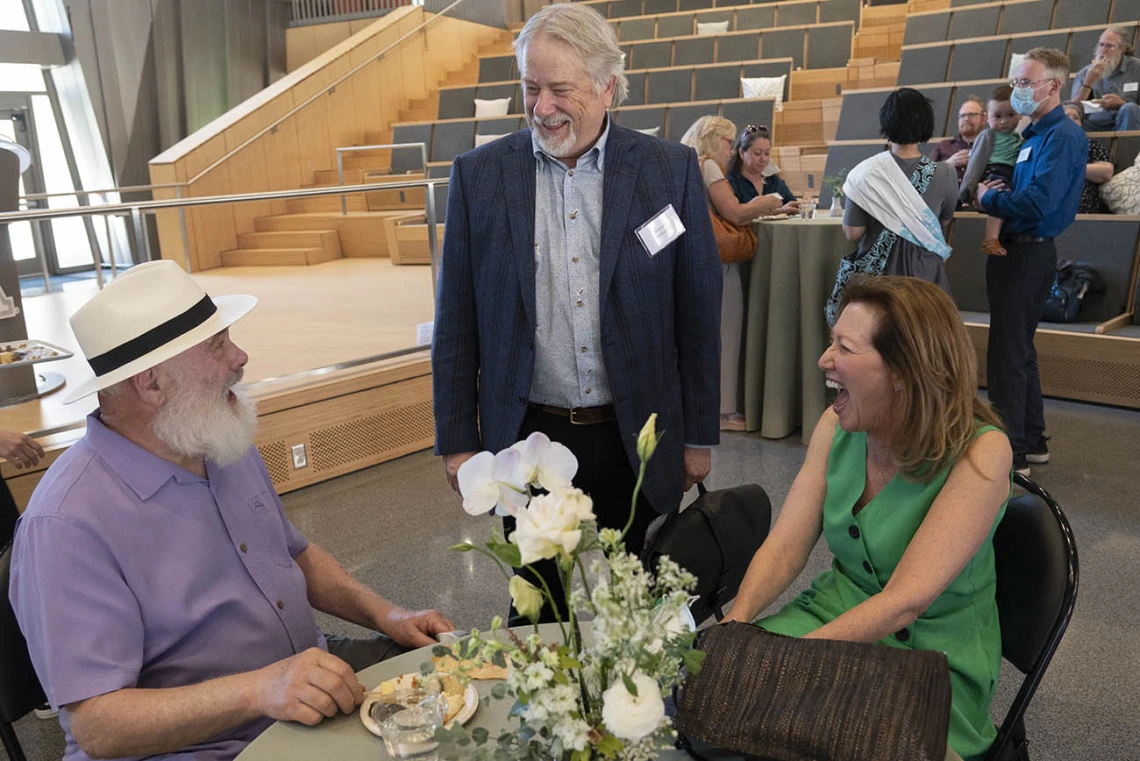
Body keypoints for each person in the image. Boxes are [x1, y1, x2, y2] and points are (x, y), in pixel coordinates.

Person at [10, 261, 454, 761]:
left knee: (466, 700)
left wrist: (387, 614)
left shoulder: (215, 439)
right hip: (210, 747)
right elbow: (97, 726)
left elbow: (294, 555)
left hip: (301, 688)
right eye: (216, 346)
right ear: (152, 384)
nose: (240, 356)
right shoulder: (67, 524)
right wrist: (260, 689)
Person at [431, 3, 721, 624]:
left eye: (560, 88)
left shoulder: (667, 171)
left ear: (607, 85)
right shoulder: (480, 176)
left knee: (638, 611)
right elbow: (456, 323)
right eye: (531, 88)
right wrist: (457, 443)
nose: (542, 107)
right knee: (537, 610)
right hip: (529, 436)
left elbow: (698, 311)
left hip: (634, 433)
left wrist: (698, 434)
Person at [724, 275, 1013, 761]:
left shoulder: (983, 451)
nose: (824, 359)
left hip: (931, 656)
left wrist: (784, 665)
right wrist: (738, 621)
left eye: (844, 347)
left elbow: (904, 603)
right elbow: (785, 545)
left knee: (804, 722)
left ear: (904, 370)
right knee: (727, 699)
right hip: (835, 618)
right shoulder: (837, 424)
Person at [976, 47, 1087, 475]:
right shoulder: (1034, 134)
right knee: (1018, 351)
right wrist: (1001, 190)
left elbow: (1038, 203)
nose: (1018, 90)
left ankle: (1012, 452)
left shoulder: (1062, 135)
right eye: (1017, 82)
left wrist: (991, 199)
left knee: (1007, 354)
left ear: (1053, 85)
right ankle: (1032, 441)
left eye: (1026, 82)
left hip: (1028, 249)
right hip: (1016, 249)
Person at [680, 117, 794, 433]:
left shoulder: (684, 162)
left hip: (695, 261)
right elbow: (735, 212)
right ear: (712, 139)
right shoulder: (709, 166)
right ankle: (725, 412)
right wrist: (767, 203)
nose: (730, 150)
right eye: (728, 142)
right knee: (726, 336)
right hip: (720, 263)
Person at [825, 88, 957, 325]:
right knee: (923, 340)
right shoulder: (945, 172)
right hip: (925, 274)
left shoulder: (865, 173)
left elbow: (852, 232)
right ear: (926, 123)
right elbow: (943, 222)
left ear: (886, 122)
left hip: (881, 275)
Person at [958, 85, 1024, 256]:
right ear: (987, 118)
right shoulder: (988, 136)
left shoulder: (1019, 138)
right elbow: (975, 163)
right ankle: (991, 239)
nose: (1003, 121)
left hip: (1010, 175)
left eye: (1010, 115)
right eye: (997, 116)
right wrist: (967, 190)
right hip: (995, 172)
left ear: (1020, 114)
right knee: (998, 198)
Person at [1071, 26, 1140, 132]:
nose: (1103, 50)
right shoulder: (1085, 73)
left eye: (1109, 46)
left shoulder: (1136, 68)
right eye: (1101, 45)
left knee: (1129, 108)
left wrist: (1121, 105)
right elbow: (1073, 109)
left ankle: (1126, 147)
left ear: (1122, 49)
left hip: (1129, 122)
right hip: (1096, 125)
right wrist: (1088, 83)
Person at [724, 124, 799, 211]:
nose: (763, 159)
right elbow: (735, 215)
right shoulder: (730, 182)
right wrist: (779, 211)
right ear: (741, 153)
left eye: (767, 153)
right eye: (757, 153)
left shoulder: (775, 182)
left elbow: (792, 205)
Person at [1062, 100, 1115, 213]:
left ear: (1081, 124)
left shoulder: (1090, 144)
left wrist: (1069, 167)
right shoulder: (1048, 144)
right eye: (1066, 117)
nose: (1071, 120)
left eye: (1075, 118)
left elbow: (1106, 172)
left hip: (1086, 211)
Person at [930, 96, 987, 185]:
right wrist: (948, 164)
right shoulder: (943, 146)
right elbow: (923, 175)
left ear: (984, 119)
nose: (966, 119)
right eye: (962, 116)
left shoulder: (989, 146)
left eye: (972, 114)